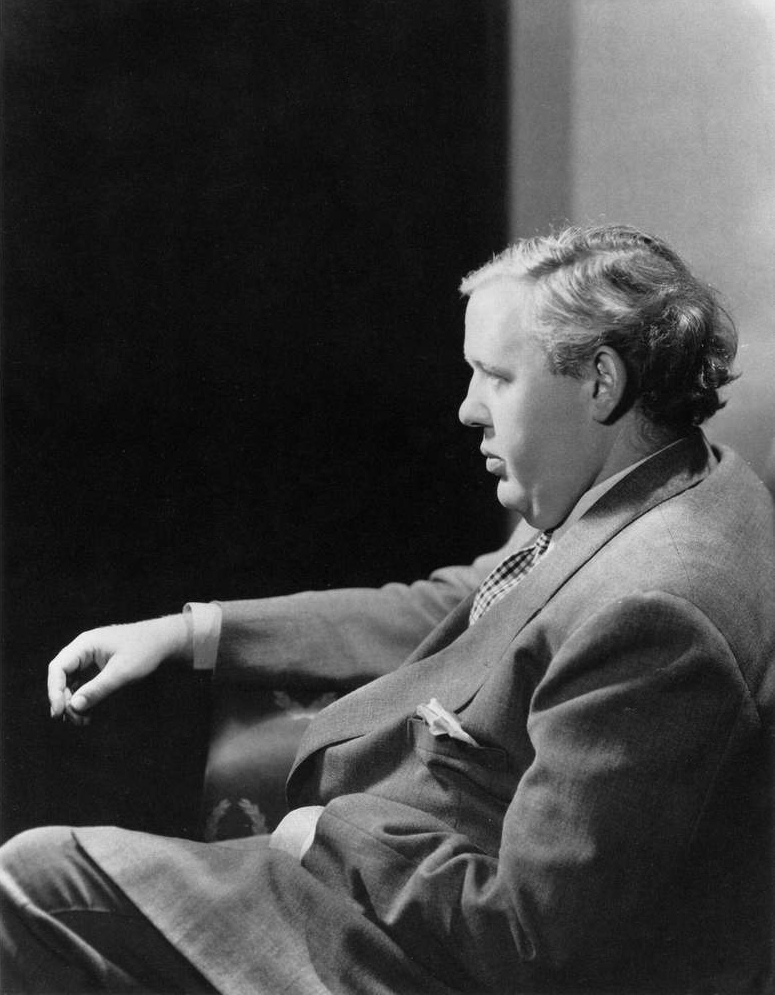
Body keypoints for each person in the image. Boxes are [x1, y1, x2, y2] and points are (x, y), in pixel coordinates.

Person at [2, 224, 773, 994]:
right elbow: (465, 606)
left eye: (495, 376)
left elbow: (530, 939)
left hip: (408, 945)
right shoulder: (664, 479)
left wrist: (329, 837)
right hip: (404, 892)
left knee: (29, 887)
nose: (467, 409)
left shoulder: (654, 615)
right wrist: (191, 633)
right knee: (42, 873)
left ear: (600, 382)